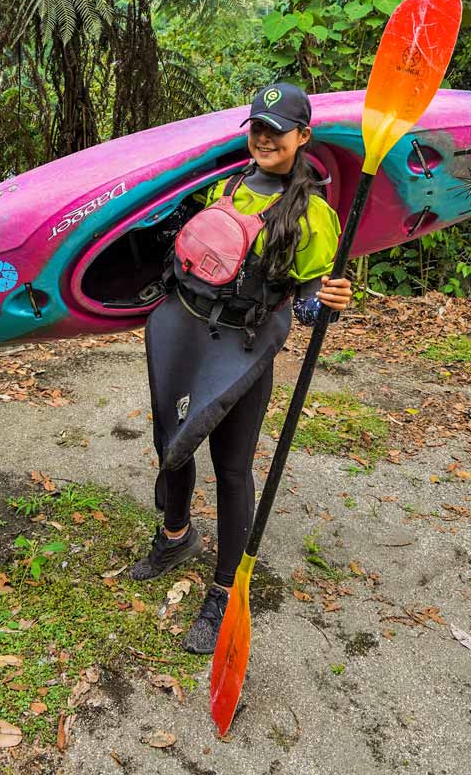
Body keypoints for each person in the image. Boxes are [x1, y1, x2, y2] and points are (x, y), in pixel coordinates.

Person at [130, 82, 352, 652]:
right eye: (258, 126)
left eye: (277, 130)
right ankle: (175, 536)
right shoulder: (225, 185)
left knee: (231, 468)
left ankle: (224, 590)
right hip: (184, 326)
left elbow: (304, 296)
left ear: (303, 137)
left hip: (242, 347)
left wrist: (320, 303)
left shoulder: (314, 214)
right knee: (171, 441)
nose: (265, 137)